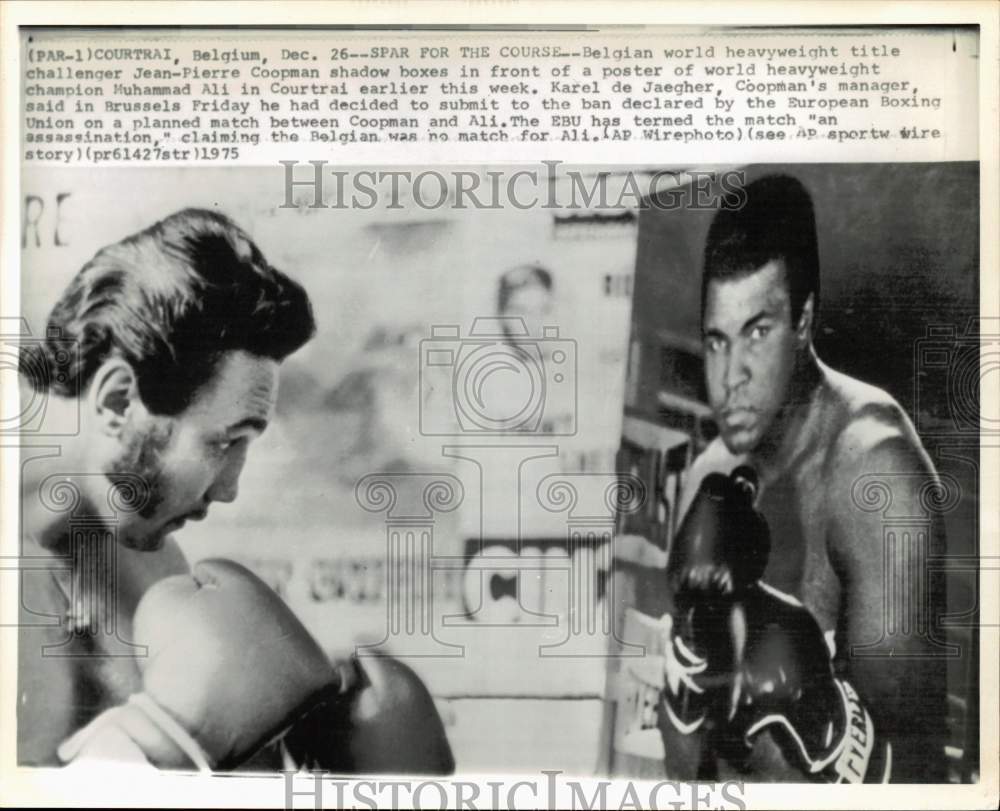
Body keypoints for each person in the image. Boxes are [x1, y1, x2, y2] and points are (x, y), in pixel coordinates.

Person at [656, 174, 948, 782]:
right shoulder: (710, 477)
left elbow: (920, 782)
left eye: (756, 333)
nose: (730, 375)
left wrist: (826, 724)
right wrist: (691, 663)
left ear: (805, 320)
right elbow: (684, 771)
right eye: (716, 341)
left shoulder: (877, 478)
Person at [16, 208, 317, 765]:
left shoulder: (145, 561)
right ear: (117, 403)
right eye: (224, 442)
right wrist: (161, 749)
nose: (228, 490)